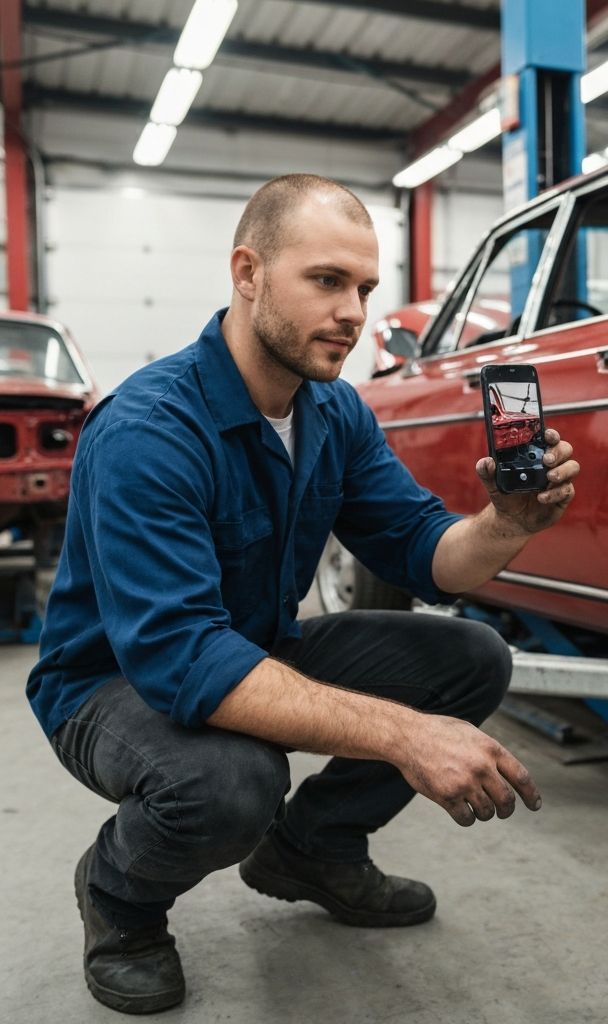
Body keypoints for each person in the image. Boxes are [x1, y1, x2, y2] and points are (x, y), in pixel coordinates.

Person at [26, 174, 580, 1015]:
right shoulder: (148, 430)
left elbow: (427, 555)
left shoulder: (334, 412)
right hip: (113, 682)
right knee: (231, 781)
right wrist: (404, 735)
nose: (354, 312)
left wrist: (507, 521)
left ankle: (314, 849)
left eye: (363, 287)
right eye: (326, 281)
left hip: (248, 646)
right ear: (248, 272)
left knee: (470, 659)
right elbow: (183, 660)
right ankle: (121, 901)